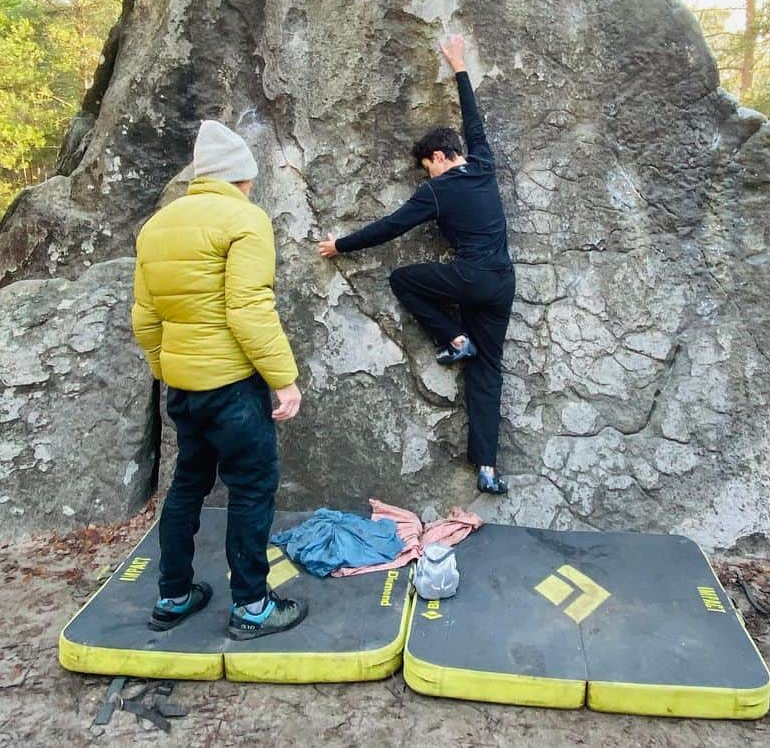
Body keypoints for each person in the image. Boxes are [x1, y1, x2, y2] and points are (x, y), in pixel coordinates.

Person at [132, 120, 307, 639]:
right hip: (233, 386)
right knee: (252, 488)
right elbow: (249, 311)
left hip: (185, 387)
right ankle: (253, 606)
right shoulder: (245, 221)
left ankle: (174, 595)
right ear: (241, 178)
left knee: (187, 484)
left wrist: (169, 372)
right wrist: (285, 380)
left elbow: (144, 318)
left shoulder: (156, 227)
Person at [317, 35, 515, 495]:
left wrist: (340, 246)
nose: (427, 173)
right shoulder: (482, 164)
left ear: (440, 157)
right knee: (487, 374)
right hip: (502, 284)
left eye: (427, 165)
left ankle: (454, 338)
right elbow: (475, 122)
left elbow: (389, 227)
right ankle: (487, 468)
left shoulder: (436, 191)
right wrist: (459, 66)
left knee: (403, 279)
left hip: (469, 279)